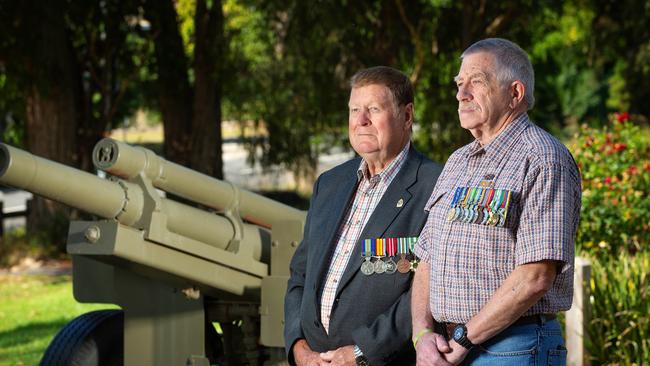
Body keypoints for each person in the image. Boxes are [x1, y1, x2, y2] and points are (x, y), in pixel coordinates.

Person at [411, 38, 581, 366]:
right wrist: (422, 335)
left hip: (512, 347)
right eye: (460, 84)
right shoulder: (458, 161)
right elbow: (427, 258)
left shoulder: (544, 158)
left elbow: (535, 275)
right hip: (449, 347)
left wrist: (463, 338)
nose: (462, 94)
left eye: (477, 82)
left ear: (515, 93)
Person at [284, 66, 443, 366]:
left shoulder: (435, 186)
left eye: (373, 109)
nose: (360, 120)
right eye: (354, 109)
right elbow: (300, 276)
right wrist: (298, 346)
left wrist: (362, 352)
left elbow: (431, 288)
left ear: (407, 116)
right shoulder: (329, 185)